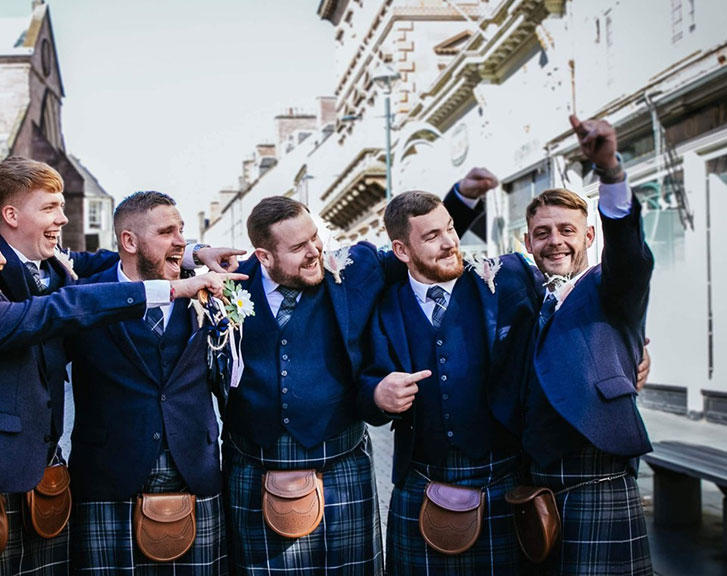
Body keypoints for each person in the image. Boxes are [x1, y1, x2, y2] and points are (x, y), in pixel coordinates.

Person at [0, 157, 241, 573]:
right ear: (11, 216)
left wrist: (192, 252)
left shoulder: (54, 265)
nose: (63, 218)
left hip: (41, 473)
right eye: (50, 207)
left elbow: (113, 258)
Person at [220, 182, 487, 575]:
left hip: (341, 461)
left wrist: (461, 201)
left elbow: (419, 246)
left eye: (314, 239)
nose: (314, 253)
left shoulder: (354, 269)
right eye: (298, 249)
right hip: (258, 464)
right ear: (264, 256)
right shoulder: (228, 287)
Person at [358, 189, 543, 574]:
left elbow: (564, 315)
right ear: (402, 250)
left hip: (501, 479)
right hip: (421, 482)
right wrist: (377, 394)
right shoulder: (385, 305)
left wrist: (628, 345)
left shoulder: (505, 281)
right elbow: (364, 382)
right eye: (432, 237)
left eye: (451, 229)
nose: (449, 243)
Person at [66, 191, 234, 574]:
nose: (181, 242)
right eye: (166, 232)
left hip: (194, 472)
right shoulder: (84, 295)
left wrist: (194, 254)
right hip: (109, 478)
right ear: (129, 241)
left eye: (182, 231)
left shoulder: (209, 286)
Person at [520, 116, 654, 574]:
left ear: (589, 237)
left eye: (567, 230)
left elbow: (631, 255)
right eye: (542, 233)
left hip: (597, 477)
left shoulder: (610, 286)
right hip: (531, 483)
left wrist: (610, 172)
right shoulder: (521, 298)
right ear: (527, 242)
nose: (554, 241)